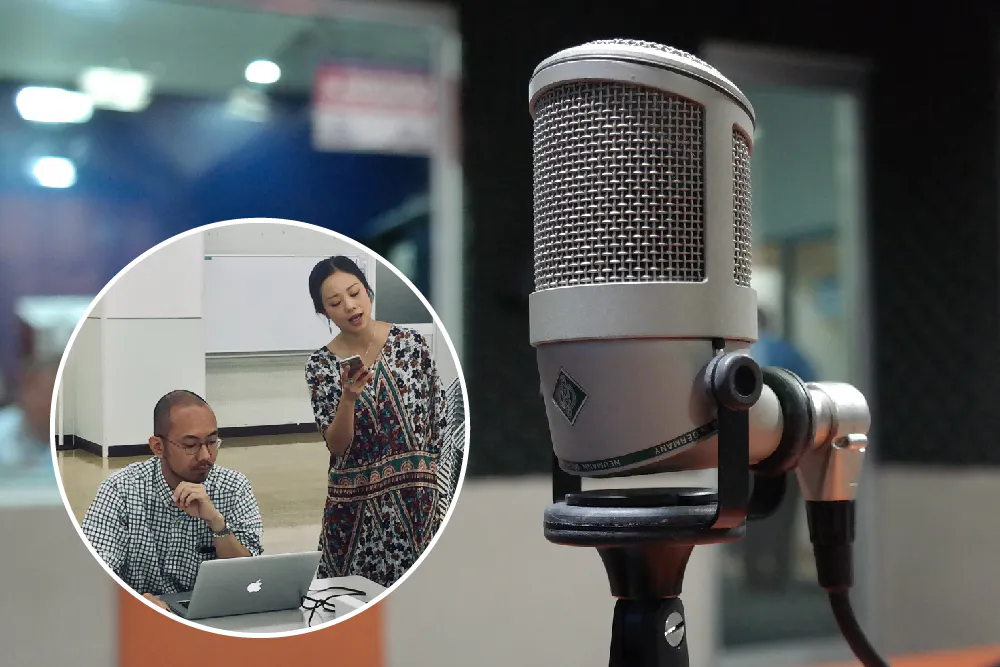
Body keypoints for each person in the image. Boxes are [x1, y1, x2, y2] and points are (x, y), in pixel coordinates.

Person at [305, 255, 447, 589]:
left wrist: (435, 486)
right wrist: (348, 398)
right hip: (355, 509)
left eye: (355, 292)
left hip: (416, 499)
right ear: (324, 312)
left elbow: (437, 419)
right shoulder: (320, 365)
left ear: (367, 290)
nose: (350, 306)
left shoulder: (411, 345)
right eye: (335, 303)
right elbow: (337, 446)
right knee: (349, 597)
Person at [81, 390, 263, 609]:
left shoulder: (233, 487)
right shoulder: (121, 490)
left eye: (212, 442)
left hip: (213, 616)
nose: (205, 456)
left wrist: (217, 524)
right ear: (158, 447)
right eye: (190, 445)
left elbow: (249, 579)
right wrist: (134, 603)